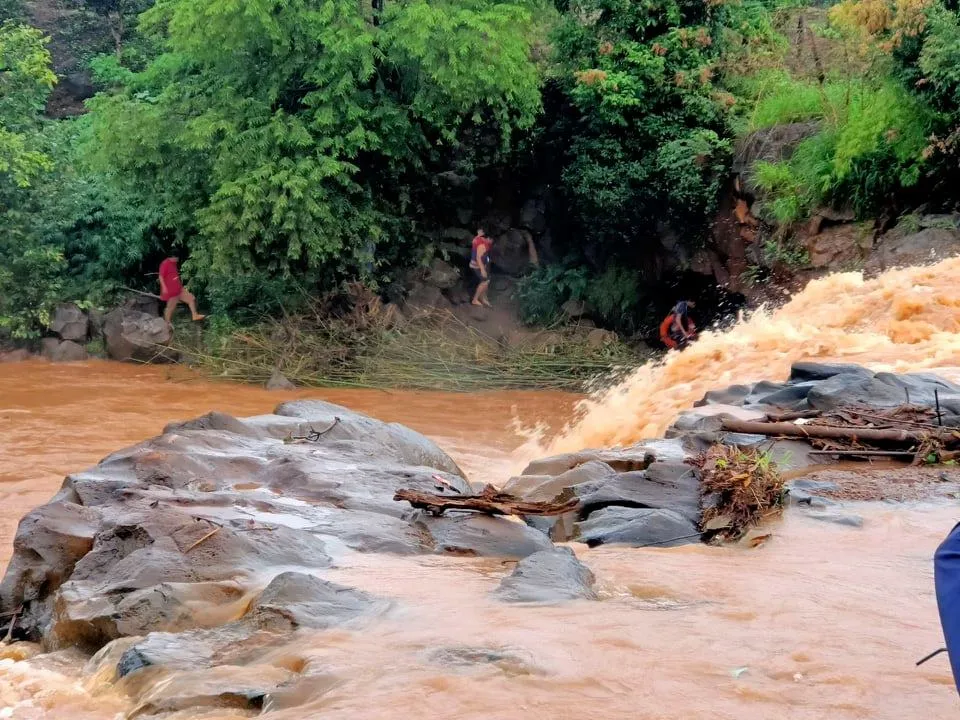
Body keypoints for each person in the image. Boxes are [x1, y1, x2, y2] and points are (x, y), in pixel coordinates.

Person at [158, 256, 205, 325]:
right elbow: (161, 276)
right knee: (170, 307)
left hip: (179, 289)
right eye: (177, 258)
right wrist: (164, 288)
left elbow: (175, 276)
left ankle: (195, 315)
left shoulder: (174, 264)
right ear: (172, 257)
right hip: (171, 290)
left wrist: (181, 287)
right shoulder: (165, 263)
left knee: (191, 298)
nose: (178, 260)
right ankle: (166, 324)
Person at [470, 228, 493, 307]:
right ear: (488, 238)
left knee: (487, 280)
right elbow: (478, 258)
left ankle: (482, 297)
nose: (492, 243)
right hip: (476, 266)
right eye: (492, 240)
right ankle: (475, 300)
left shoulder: (481, 240)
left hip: (481, 265)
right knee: (484, 281)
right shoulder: (482, 245)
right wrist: (483, 270)